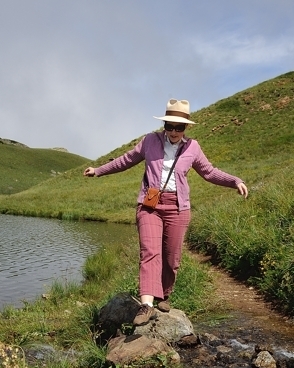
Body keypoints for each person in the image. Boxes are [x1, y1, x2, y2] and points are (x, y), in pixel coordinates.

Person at [84, 99, 248, 326]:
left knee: (172, 259)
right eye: (169, 126)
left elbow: (209, 172)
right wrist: (98, 170)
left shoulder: (193, 148)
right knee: (150, 252)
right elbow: (127, 159)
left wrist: (234, 181)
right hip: (149, 205)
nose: (173, 131)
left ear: (186, 127)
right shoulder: (150, 141)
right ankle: (147, 305)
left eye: (178, 127)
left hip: (177, 207)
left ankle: (163, 294)